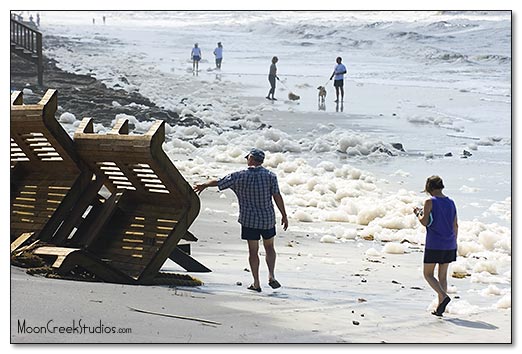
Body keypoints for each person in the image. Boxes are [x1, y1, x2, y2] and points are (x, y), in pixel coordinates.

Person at [193, 148, 289, 292]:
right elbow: (277, 196)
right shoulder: (271, 176)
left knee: (253, 251)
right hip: (267, 218)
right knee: (269, 247)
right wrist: (284, 215)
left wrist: (204, 185)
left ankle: (256, 283)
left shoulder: (239, 176)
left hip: (249, 220)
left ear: (250, 159)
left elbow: (219, 182)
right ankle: (271, 276)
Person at [413, 175, 458, 317]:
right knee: (442, 277)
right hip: (449, 243)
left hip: (435, 243)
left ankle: (443, 297)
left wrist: (417, 213)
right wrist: (454, 242)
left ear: (429, 188)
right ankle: (440, 308)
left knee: (428, 274)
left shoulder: (429, 201)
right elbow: (455, 225)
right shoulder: (451, 202)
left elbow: (425, 222)